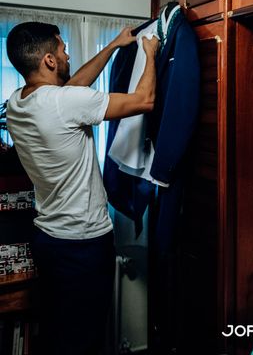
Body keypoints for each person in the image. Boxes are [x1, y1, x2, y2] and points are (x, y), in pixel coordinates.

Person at [5, 21, 158, 355]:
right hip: (84, 244)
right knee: (85, 338)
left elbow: (71, 87)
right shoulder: (65, 103)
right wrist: (150, 55)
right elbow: (145, 100)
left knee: (58, 330)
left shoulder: (17, 104)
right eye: (62, 49)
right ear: (48, 60)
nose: (67, 53)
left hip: (47, 241)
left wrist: (115, 44)